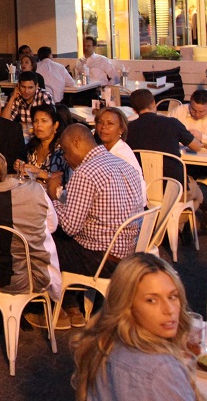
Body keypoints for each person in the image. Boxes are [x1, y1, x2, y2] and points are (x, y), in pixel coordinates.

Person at [47, 124, 145, 325]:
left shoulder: (85, 172)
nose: (64, 157)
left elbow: (70, 226)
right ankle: (71, 304)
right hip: (128, 251)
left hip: (101, 259)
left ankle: (51, 306)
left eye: (65, 151)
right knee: (64, 239)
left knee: (44, 241)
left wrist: (51, 198)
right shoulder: (122, 163)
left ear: (76, 142)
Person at [70, 253, 197, 401]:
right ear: (127, 305)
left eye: (172, 296)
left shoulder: (104, 344)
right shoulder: (161, 369)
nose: (169, 310)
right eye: (152, 300)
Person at [0, 148, 63, 325]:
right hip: (39, 273)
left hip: (0, 280)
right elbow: (52, 226)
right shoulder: (36, 190)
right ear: (5, 166)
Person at [126, 88, 202, 185]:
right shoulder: (172, 123)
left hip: (141, 185)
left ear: (134, 110)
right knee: (202, 190)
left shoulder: (128, 128)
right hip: (174, 186)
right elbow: (197, 147)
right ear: (154, 103)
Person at [94, 107, 145, 200]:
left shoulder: (121, 156)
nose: (103, 127)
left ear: (121, 129)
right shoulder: (103, 149)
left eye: (110, 123)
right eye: (100, 122)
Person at [15, 105, 71, 185]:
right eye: (35, 121)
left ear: (55, 125)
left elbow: (66, 181)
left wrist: (40, 173)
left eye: (44, 121)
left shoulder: (63, 151)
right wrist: (21, 166)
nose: (38, 125)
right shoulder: (31, 147)